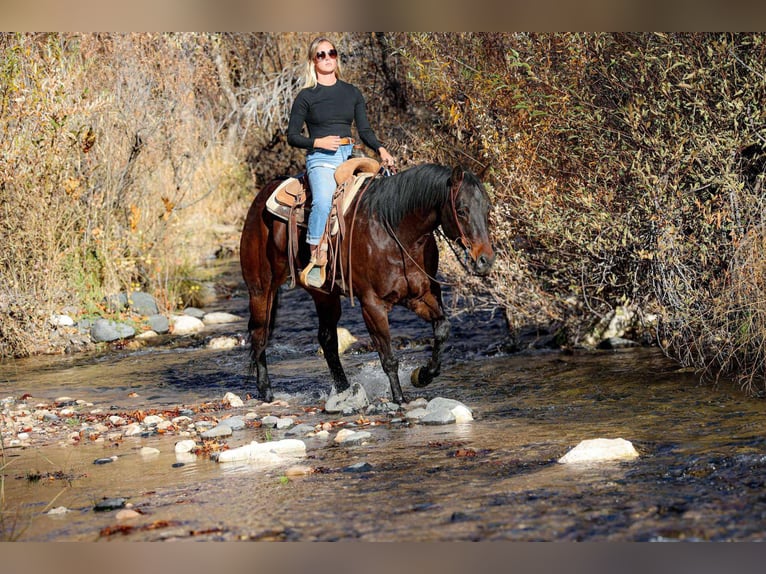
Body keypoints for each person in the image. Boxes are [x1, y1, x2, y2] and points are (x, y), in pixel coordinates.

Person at [287, 36, 395, 288]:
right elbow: (292, 136)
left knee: (377, 199)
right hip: (321, 160)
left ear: (337, 57)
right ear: (313, 61)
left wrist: (380, 149)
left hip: (350, 157)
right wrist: (317, 142)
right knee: (324, 200)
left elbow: (365, 130)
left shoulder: (351, 92)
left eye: (331, 53)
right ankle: (316, 254)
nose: (327, 58)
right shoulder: (306, 96)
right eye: (321, 55)